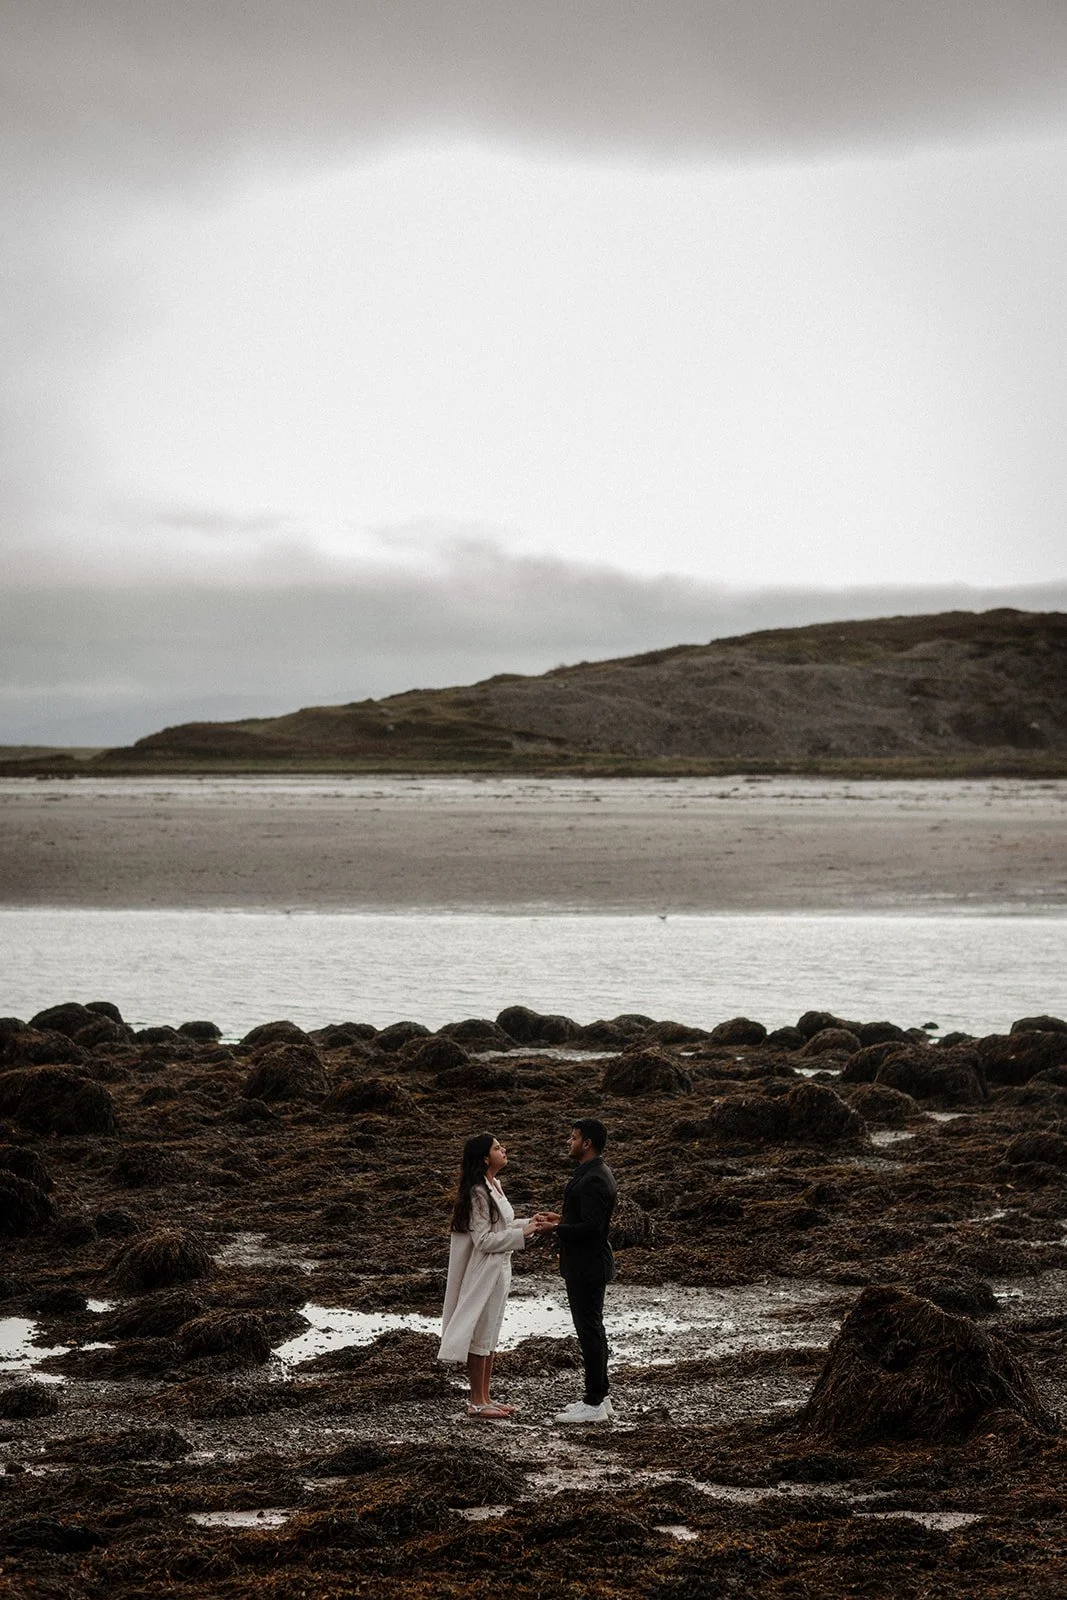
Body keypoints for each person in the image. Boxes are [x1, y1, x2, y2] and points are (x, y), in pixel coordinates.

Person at [438, 1132, 545, 1418]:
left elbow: (503, 1226)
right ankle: (476, 1401)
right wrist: (523, 1233)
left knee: (492, 1333)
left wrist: (531, 1223)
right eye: (498, 1148)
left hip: (501, 1267)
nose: (504, 1149)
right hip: (484, 1270)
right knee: (480, 1334)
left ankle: (486, 1396)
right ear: (485, 1158)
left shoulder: (494, 1185)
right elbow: (483, 1240)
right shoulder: (477, 1192)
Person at [539, 1117, 617, 1424]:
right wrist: (560, 1218)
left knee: (590, 1333)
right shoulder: (592, 1172)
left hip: (587, 1266)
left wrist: (556, 1229)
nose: (568, 1142)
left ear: (587, 1143)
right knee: (593, 1330)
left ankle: (594, 1402)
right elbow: (585, 1217)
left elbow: (592, 1229)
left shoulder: (596, 1178)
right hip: (586, 1264)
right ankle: (601, 1396)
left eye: (573, 1138)